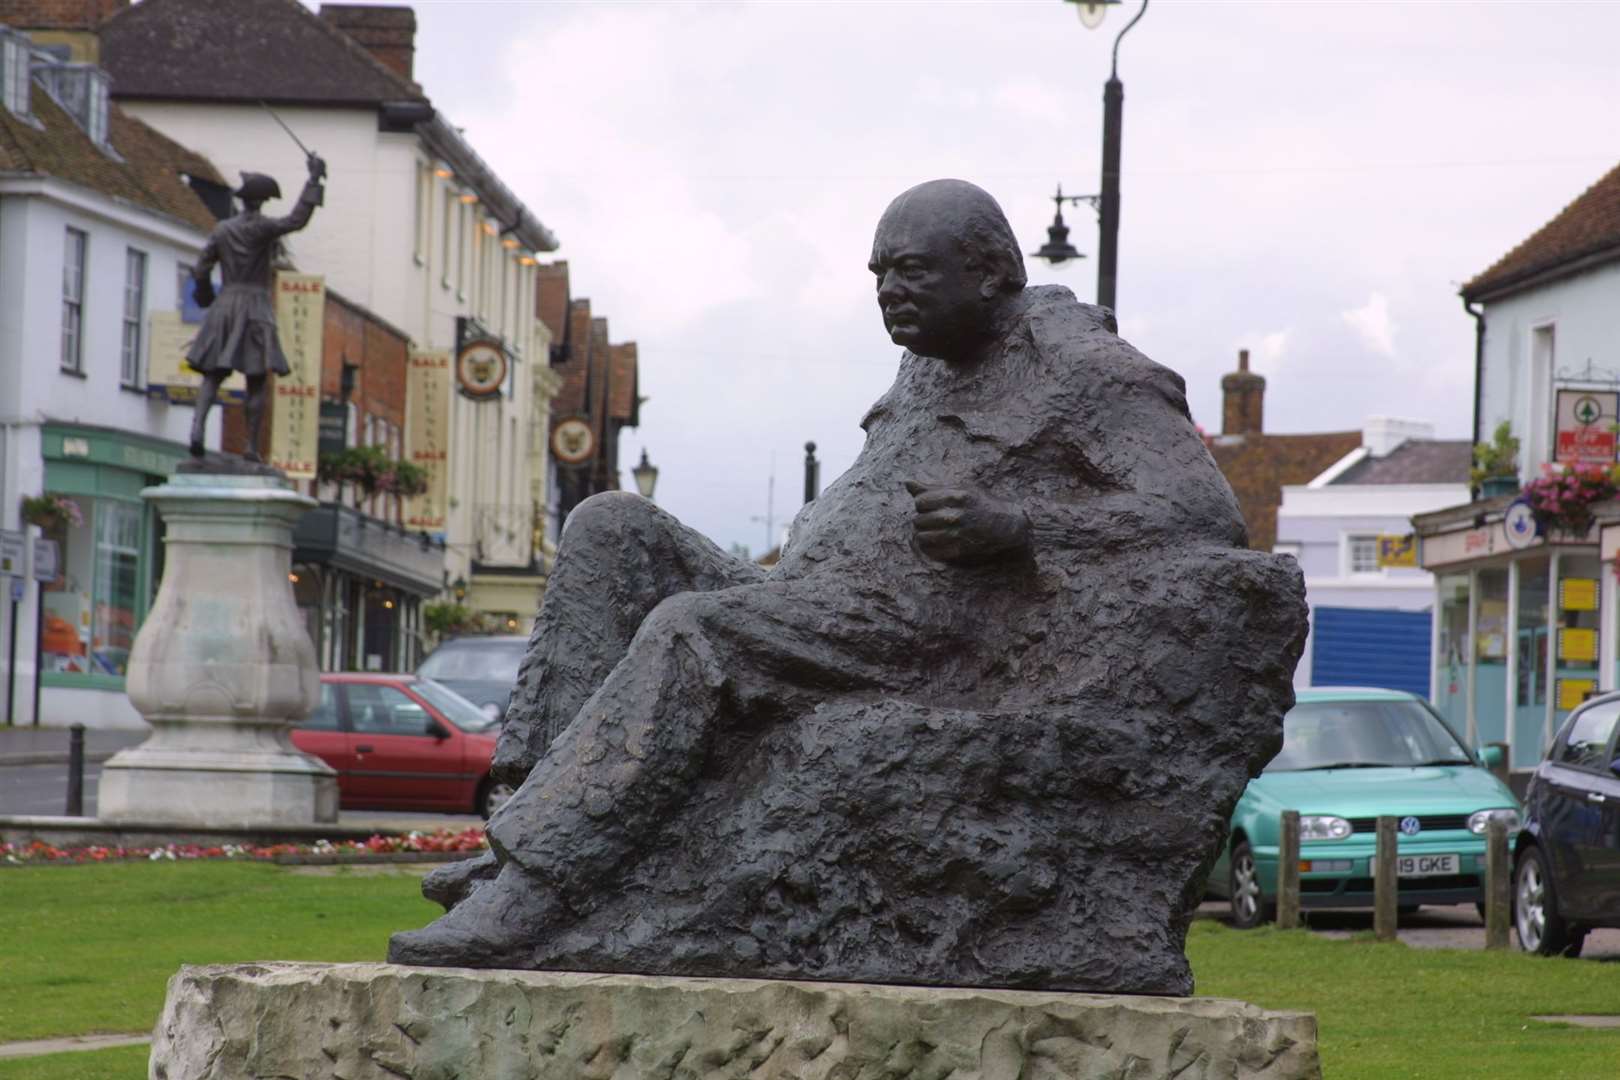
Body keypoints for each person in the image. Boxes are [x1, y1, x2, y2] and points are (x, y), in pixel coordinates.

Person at [388, 180, 1296, 990]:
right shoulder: (927, 358)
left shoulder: (1086, 369)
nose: (888, 294)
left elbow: (1198, 512)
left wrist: (1020, 528)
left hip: (923, 633)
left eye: (911, 272)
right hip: (815, 602)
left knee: (693, 628)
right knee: (612, 527)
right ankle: (521, 832)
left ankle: (540, 886)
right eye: (877, 275)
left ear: (988, 273)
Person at [186, 155, 327, 459]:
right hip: (255, 305)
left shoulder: (222, 229)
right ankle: (250, 446)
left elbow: (200, 268)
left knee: (212, 373)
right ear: (262, 201)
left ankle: (197, 427)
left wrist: (205, 294)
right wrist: (313, 182)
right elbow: (296, 220)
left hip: (225, 305)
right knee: (257, 379)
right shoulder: (262, 228)